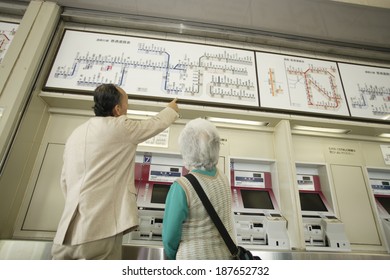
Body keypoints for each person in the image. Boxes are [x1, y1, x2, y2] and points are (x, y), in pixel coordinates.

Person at [51, 83, 179, 260]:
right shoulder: (120, 127)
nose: (128, 108)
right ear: (117, 109)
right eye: (127, 103)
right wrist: (171, 109)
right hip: (98, 233)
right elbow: (154, 124)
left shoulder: (76, 134)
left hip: (65, 236)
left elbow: (64, 181)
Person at [162, 118, 236, 259]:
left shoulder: (182, 187)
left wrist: (172, 258)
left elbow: (170, 237)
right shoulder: (223, 177)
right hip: (225, 257)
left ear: (187, 148)